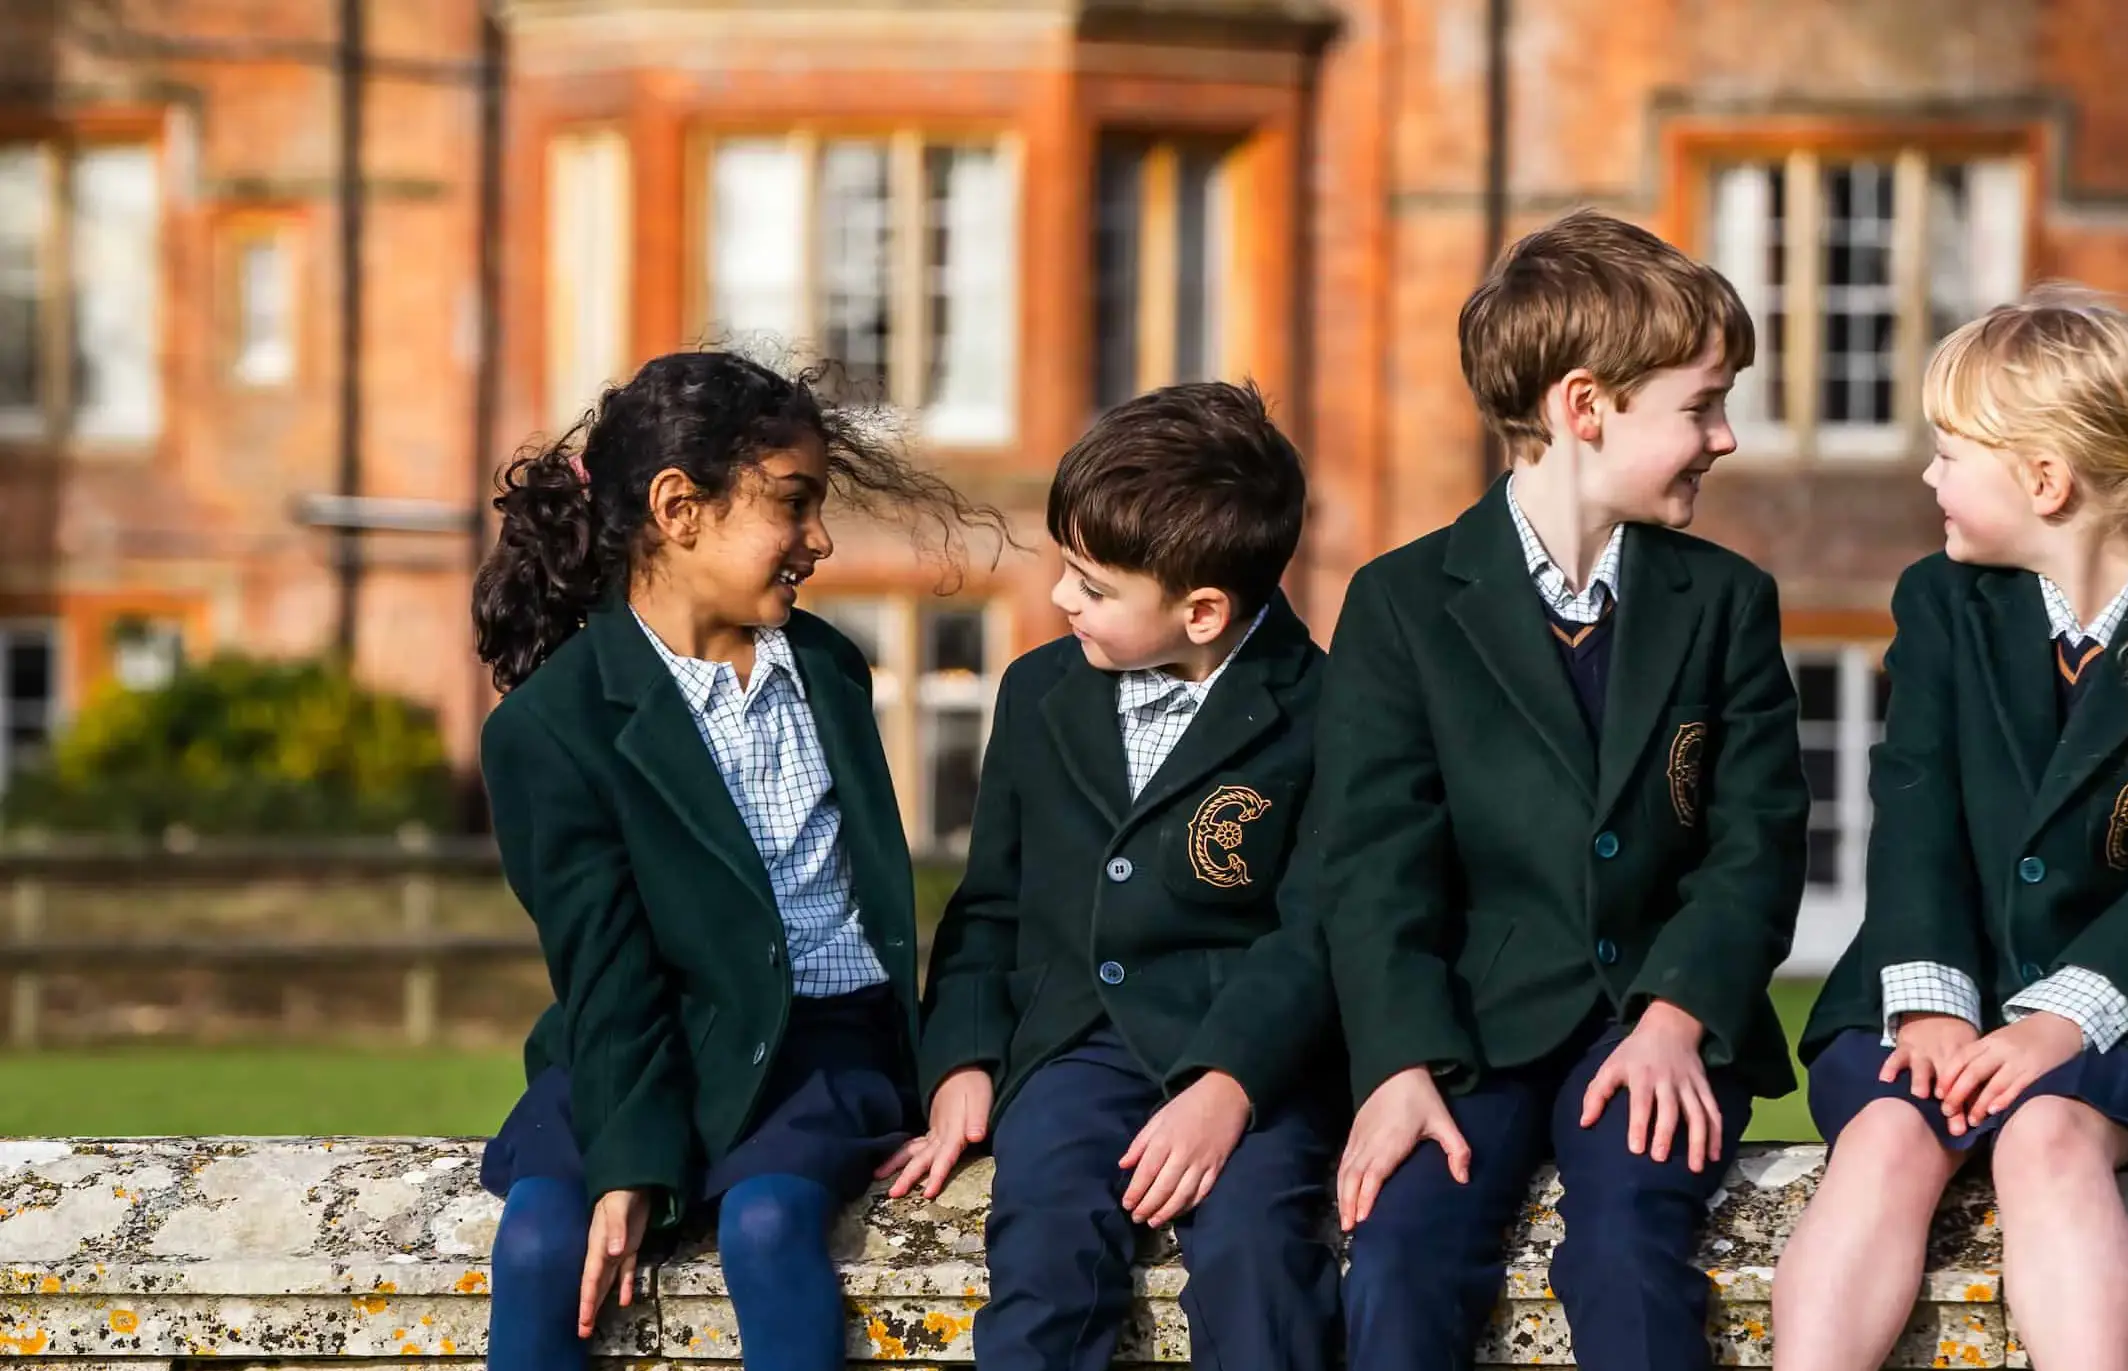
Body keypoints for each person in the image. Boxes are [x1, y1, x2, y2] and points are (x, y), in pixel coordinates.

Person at [1316, 208, 1810, 1371]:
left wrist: (1675, 1019)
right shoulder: (1399, 605)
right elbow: (1371, 866)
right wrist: (1396, 1067)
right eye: (1699, 407)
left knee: (1626, 1250)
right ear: (1582, 408)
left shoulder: (1725, 602)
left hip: (1657, 1022)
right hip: (1468, 1037)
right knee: (1396, 1256)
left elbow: (1756, 845)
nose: (1724, 439)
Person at [1775, 291, 2128, 1371]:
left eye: (1947, 452)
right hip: (1922, 994)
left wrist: (2057, 1027)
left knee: (2046, 1143)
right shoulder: (1940, 605)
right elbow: (1910, 806)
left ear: (2045, 482)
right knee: (1881, 1143)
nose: (1928, 477)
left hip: (2115, 1027)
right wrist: (1928, 1007)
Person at [471, 349, 999, 1371]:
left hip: (823, 1045)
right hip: (638, 1036)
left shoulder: (831, 671)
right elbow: (606, 968)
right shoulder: (551, 726)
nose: (820, 539)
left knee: (765, 1226)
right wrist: (630, 1162)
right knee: (539, 1240)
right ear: (679, 508)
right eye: (793, 505)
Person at [888, 380, 1342, 1371]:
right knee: (1043, 1242)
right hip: (1071, 1049)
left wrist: (1229, 1084)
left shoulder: (1328, 712)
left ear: (1203, 609)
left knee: (1260, 1255)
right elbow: (992, 905)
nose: (1060, 599)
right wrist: (962, 1062)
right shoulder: (1038, 689)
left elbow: (1318, 930)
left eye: (1091, 586)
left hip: (1250, 1062)